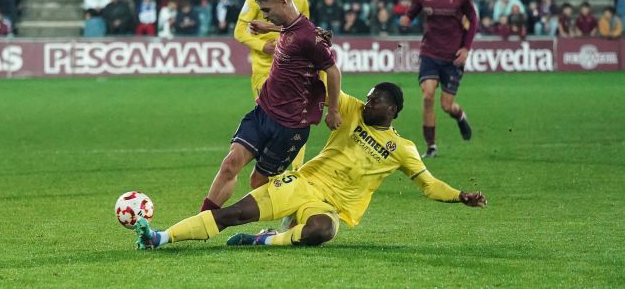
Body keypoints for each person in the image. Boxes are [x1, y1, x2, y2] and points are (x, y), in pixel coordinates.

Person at [133, 82, 487, 250]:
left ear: (392, 110)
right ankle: (159, 237)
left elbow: (428, 184)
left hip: (328, 206)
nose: (367, 102)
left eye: (375, 100)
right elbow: (323, 80)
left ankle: (265, 241)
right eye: (367, 96)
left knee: (322, 232)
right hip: (302, 184)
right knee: (233, 214)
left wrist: (459, 196)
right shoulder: (349, 110)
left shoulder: (402, 148)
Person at [199, 0, 341, 213]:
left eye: (266, 10)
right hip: (263, 111)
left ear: (284, 2)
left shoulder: (310, 38)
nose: (263, 15)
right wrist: (269, 27)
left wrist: (334, 110)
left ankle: (294, 212)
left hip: (290, 126)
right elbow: (290, 27)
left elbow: (333, 71)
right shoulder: (291, 26)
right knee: (230, 164)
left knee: (258, 182)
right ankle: (203, 220)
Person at [233, 0, 311, 170]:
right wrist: (262, 45)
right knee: (270, 119)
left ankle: (295, 173)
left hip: (292, 68)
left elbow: (304, 31)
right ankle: (268, 171)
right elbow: (239, 30)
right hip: (264, 69)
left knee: (296, 117)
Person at [399, 0, 477, 158]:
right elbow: (412, 12)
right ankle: (431, 147)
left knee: (446, 105)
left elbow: (473, 19)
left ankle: (460, 116)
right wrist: (406, 19)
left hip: (453, 58)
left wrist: (466, 48)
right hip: (430, 53)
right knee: (427, 96)